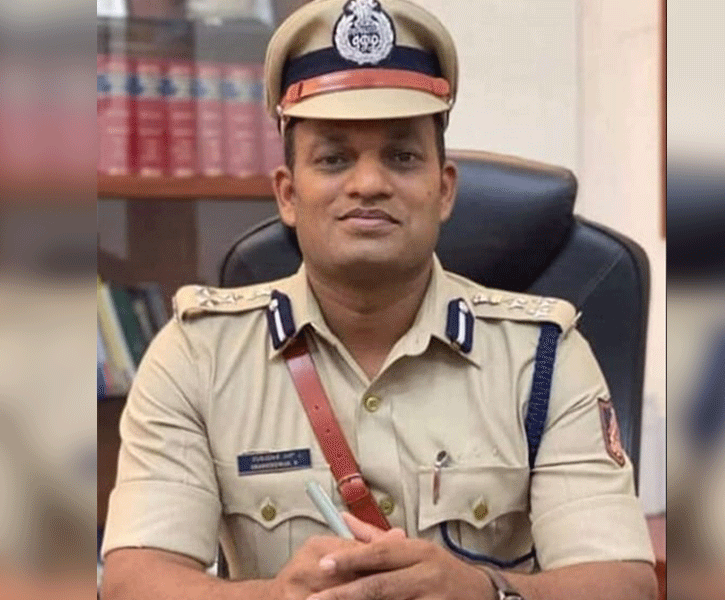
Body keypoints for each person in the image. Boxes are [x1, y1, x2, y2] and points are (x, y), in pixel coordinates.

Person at [100, 1, 656, 599]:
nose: (368, 184)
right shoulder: (197, 355)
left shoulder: (543, 359)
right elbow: (135, 582)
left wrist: (483, 591)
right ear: (287, 195)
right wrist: (273, 598)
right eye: (334, 159)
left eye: (402, 157)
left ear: (444, 189)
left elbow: (623, 585)